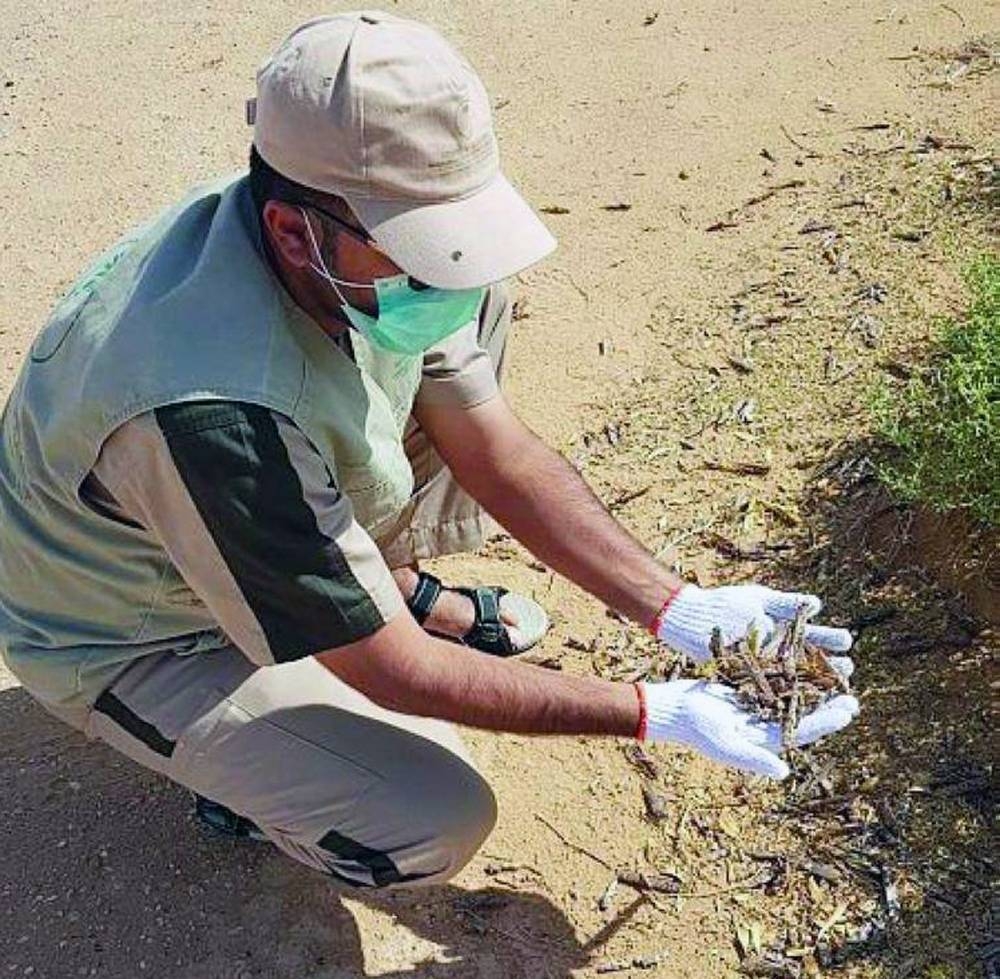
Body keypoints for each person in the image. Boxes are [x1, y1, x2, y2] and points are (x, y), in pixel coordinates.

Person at [0, 11, 858, 888]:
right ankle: (254, 790)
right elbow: (395, 672)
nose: (439, 271)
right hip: (141, 629)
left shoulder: (325, 219)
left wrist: (678, 608)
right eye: (415, 251)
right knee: (428, 814)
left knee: (470, 307)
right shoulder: (215, 410)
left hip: (245, 507)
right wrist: (654, 711)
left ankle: (384, 582)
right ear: (295, 233)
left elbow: (499, 449)